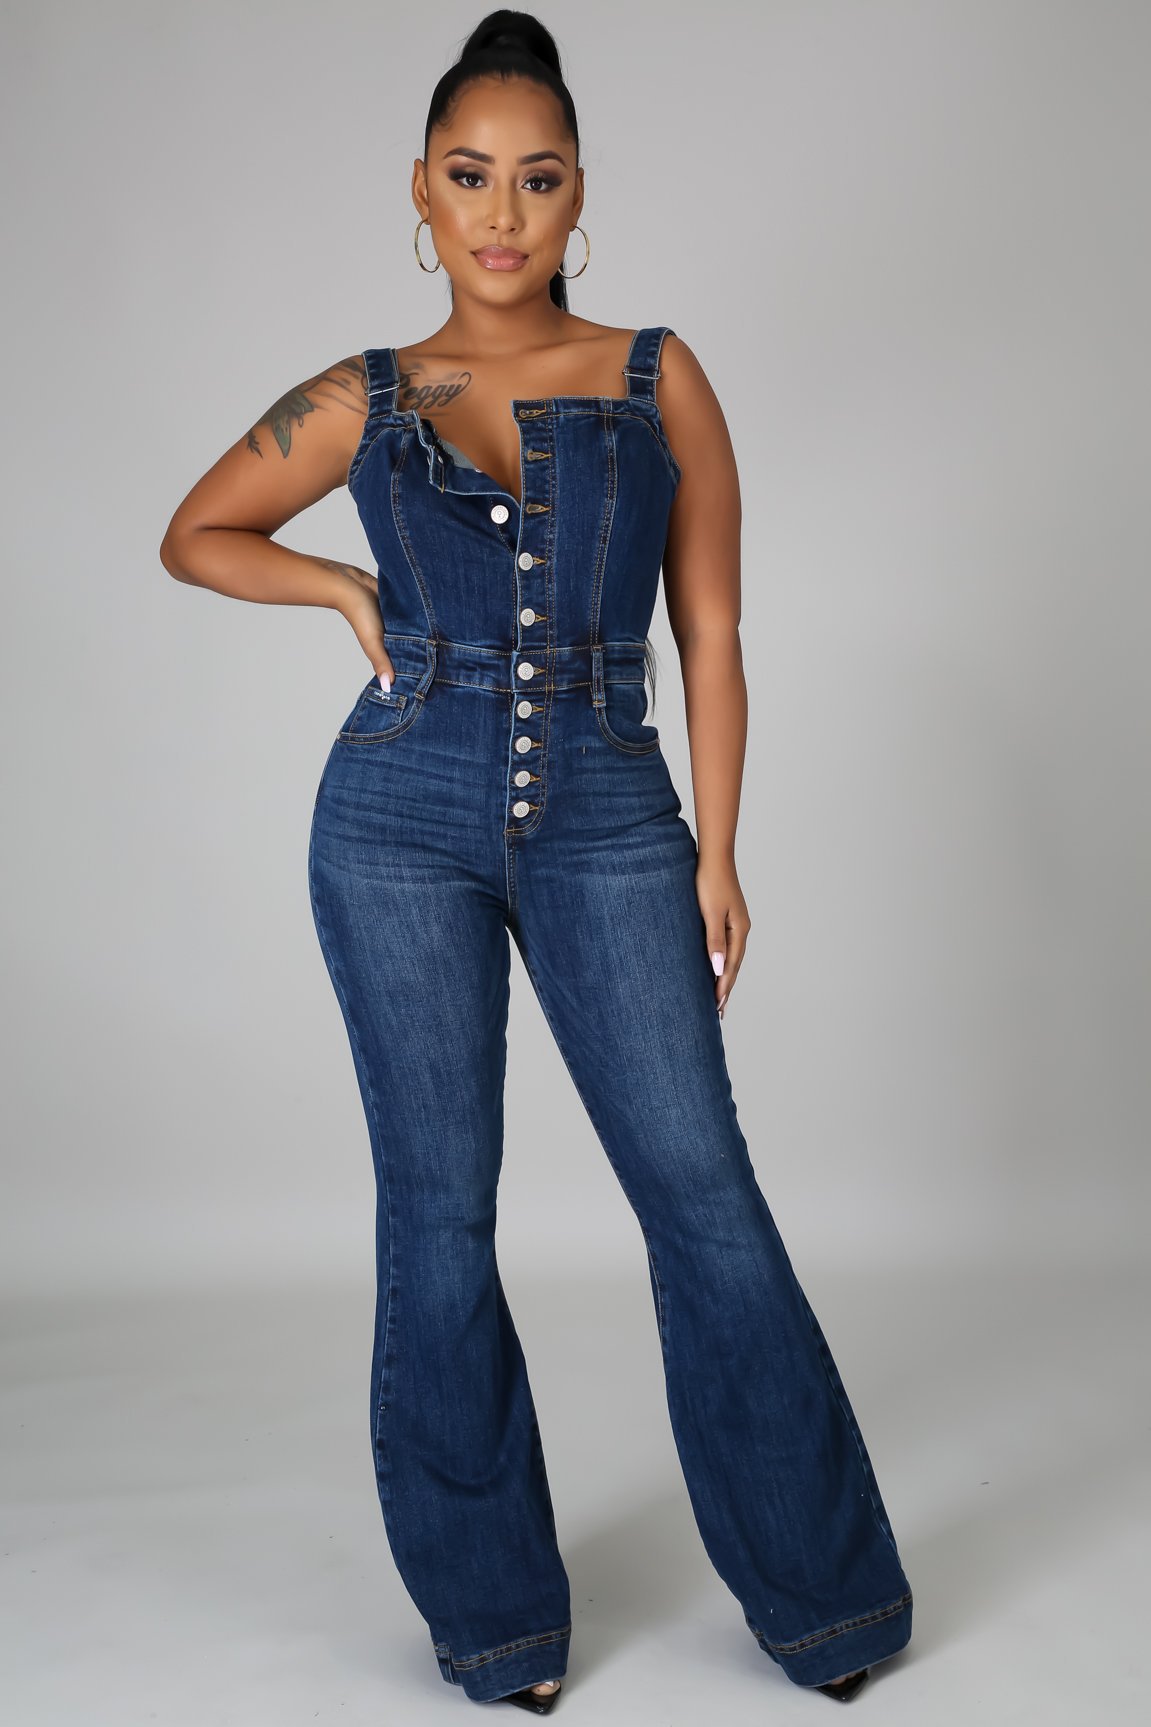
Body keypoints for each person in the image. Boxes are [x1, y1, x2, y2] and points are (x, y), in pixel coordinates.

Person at [160, 7, 914, 1715]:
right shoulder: (365, 393)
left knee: (703, 1195)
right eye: (471, 175)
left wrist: (718, 849)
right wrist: (339, 588)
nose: (503, 214)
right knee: (438, 1214)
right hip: (395, 816)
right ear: (420, 192)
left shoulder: (657, 373)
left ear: (582, 195)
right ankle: (498, 1626)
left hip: (611, 808)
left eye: (540, 178)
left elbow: (710, 633)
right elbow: (196, 533)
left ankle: (827, 1607)